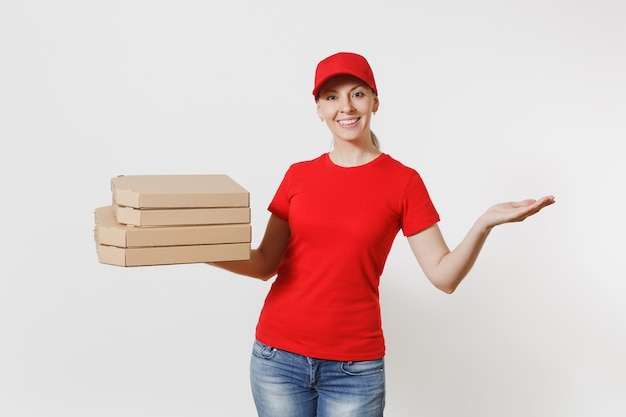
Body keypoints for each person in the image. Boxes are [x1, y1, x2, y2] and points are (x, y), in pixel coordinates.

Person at [209, 51, 555, 417]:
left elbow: (444, 276)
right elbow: (265, 263)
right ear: (319, 109)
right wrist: (187, 248)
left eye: (357, 93)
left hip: (353, 371)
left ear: (375, 101)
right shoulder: (298, 176)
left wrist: (483, 223)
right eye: (332, 97)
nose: (346, 106)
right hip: (277, 360)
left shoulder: (403, 182)